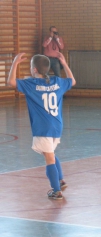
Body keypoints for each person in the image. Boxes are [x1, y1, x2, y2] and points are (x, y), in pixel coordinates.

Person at [7, 52, 76, 199]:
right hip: (57, 126)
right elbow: (72, 81)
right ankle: (60, 180)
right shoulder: (57, 81)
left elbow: (11, 82)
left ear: (35, 70)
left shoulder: (31, 84)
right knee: (49, 153)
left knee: (49, 159)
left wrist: (15, 63)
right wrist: (64, 64)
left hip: (43, 128)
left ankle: (56, 191)